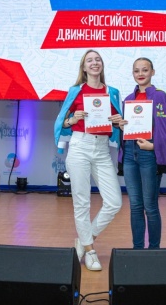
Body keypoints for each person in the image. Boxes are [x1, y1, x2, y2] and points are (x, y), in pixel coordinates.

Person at [54, 49, 124, 271]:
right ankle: (90, 251)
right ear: (84, 68)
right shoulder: (75, 91)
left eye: (98, 59)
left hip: (102, 149)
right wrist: (72, 119)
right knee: (81, 202)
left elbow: (120, 123)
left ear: (102, 65)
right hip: (79, 146)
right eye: (90, 60)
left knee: (114, 202)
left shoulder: (112, 92)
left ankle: (84, 241)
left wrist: (119, 121)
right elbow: (63, 121)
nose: (94, 63)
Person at [117, 57, 166, 249]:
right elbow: (128, 129)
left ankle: (154, 250)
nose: (140, 74)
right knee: (135, 206)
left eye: (145, 70)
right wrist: (122, 126)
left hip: (149, 154)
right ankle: (137, 249)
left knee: (150, 206)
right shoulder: (128, 99)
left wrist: (154, 147)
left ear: (152, 72)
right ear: (132, 73)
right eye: (136, 71)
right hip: (130, 154)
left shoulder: (161, 97)